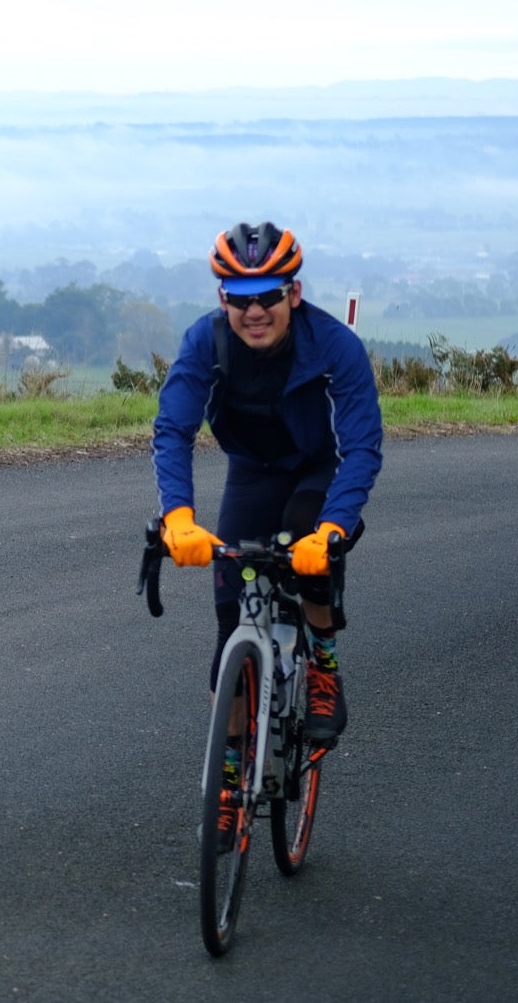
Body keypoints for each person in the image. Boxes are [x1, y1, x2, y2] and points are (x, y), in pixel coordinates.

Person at [150, 221, 384, 752]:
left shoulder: (335, 346)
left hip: (316, 469)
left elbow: (362, 447)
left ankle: (323, 666)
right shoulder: (204, 342)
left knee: (309, 544)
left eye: (269, 296)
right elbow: (172, 430)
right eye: (239, 298)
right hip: (253, 471)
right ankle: (229, 781)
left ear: (294, 293)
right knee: (230, 622)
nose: (254, 311)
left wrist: (334, 528)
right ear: (222, 298)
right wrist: (179, 517)